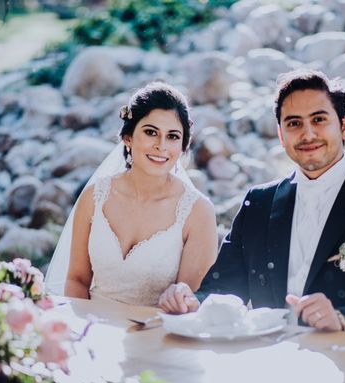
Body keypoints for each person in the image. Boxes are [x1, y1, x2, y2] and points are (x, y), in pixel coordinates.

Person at [159, 70, 345, 338]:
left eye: (319, 120)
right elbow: (223, 289)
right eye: (294, 123)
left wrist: (343, 318)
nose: (308, 134)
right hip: (270, 361)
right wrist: (192, 302)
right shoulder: (259, 203)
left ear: (344, 126)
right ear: (281, 134)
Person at [46, 82, 218, 306]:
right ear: (128, 137)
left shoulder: (198, 212)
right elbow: (77, 280)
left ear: (183, 145)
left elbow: (190, 301)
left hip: (158, 333)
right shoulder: (95, 197)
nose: (161, 145)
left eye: (173, 136)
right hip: (91, 327)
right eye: (150, 132)